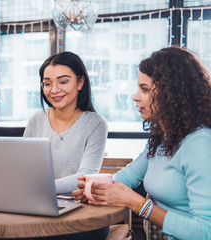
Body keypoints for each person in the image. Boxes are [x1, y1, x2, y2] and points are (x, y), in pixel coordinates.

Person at [72, 47, 211, 239]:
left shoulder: (200, 144)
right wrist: (94, 189)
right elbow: (128, 176)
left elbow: (206, 232)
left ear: (173, 94)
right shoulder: (163, 137)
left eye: (144, 89)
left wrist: (137, 203)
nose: (135, 96)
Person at [24, 51, 109, 240]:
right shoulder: (36, 119)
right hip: (40, 209)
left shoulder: (96, 123)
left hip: (83, 214)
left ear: (80, 83)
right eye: (47, 83)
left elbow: (84, 177)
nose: (54, 90)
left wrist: (38, 187)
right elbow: (24, 169)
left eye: (63, 82)